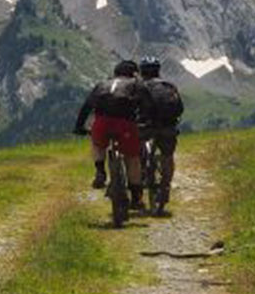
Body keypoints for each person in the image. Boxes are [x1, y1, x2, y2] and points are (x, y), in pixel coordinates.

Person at [74, 60, 145, 208]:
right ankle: (137, 197)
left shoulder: (103, 84)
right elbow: (147, 104)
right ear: (134, 73)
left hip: (102, 122)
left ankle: (100, 170)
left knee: (97, 143)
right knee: (132, 158)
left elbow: (87, 106)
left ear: (115, 72)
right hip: (125, 123)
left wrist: (79, 126)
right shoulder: (136, 83)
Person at [136, 56, 184, 212]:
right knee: (167, 156)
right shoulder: (169, 86)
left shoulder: (139, 86)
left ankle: (137, 182)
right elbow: (180, 108)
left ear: (142, 71)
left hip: (146, 127)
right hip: (168, 127)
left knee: (134, 153)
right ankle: (165, 188)